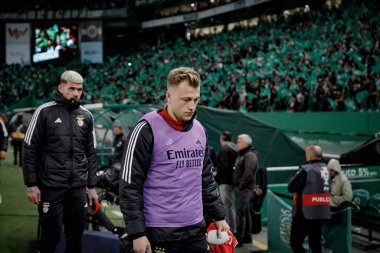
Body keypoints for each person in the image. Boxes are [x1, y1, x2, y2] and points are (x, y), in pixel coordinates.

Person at [119, 67, 229, 253]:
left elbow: (206, 180)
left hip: (196, 227)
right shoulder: (146, 128)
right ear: (168, 96)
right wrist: (137, 233)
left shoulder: (199, 130)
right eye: (186, 99)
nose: (192, 106)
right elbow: (129, 185)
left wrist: (219, 216)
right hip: (159, 231)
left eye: (196, 99)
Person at [22, 70, 98, 253]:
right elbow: (29, 149)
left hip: (78, 188)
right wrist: (31, 184)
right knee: (50, 236)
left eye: (79, 89)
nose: (76, 93)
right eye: (72, 88)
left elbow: (91, 153)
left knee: (76, 236)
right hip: (51, 187)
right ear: (60, 87)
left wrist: (92, 185)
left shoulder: (86, 116)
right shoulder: (44, 111)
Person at [288, 145, 331, 253]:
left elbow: (291, 187)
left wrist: (294, 177)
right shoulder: (327, 169)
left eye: (306, 154)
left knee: (295, 243)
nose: (306, 155)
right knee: (315, 243)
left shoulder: (306, 170)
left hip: (305, 213)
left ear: (310, 156)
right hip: (321, 212)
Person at [233, 134, 258, 246]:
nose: (237, 143)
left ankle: (240, 239)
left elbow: (248, 173)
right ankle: (247, 237)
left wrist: (240, 186)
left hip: (245, 189)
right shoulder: (242, 154)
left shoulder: (250, 155)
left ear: (246, 143)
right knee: (245, 212)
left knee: (240, 213)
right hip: (242, 189)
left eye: (239, 141)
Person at [214, 131, 238, 234]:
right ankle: (233, 229)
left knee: (226, 206)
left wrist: (217, 178)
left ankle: (231, 230)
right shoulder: (235, 148)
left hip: (226, 182)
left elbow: (223, 167)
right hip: (234, 181)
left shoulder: (225, 149)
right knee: (230, 206)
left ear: (222, 139)